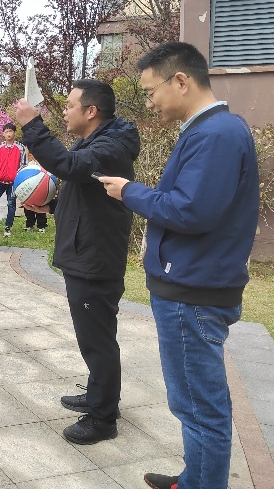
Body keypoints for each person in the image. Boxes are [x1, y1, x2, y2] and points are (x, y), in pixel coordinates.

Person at [99, 42, 259, 489]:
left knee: (200, 408)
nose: (150, 102)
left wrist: (130, 191)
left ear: (181, 81)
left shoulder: (216, 135)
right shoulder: (212, 130)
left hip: (194, 293)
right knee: (194, 402)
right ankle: (195, 479)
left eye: (151, 91)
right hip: (193, 284)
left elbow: (190, 211)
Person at [13, 78, 140, 446]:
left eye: (70, 105)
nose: (65, 111)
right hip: (86, 254)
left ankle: (103, 418)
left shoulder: (109, 147)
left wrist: (32, 124)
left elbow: (68, 166)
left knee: (97, 340)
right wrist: (53, 205)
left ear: (91, 111)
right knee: (95, 337)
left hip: (95, 260)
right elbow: (87, 193)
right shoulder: (97, 143)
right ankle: (100, 394)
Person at [0, 123, 26, 237]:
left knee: (11, 204)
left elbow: (24, 164)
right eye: (6, 132)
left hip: (13, 182)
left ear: (15, 133)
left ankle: (8, 227)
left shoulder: (20, 147)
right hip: (0, 181)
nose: (8, 134)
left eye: (10, 131)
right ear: (3, 133)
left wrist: (16, 174)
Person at [23, 149, 48, 233]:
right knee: (28, 207)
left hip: (40, 187)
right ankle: (30, 224)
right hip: (29, 186)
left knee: (40, 205)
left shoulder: (42, 162)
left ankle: (42, 225)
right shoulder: (27, 163)